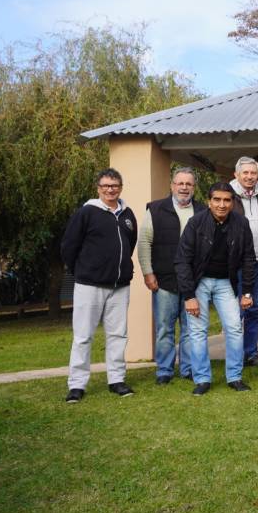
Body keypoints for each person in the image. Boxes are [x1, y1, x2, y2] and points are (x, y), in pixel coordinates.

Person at [61, 168, 138, 403]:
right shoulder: (86, 213)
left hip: (119, 286)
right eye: (105, 186)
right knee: (83, 336)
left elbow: (129, 243)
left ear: (121, 187)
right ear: (98, 188)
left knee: (118, 335)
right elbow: (69, 246)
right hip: (90, 285)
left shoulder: (127, 214)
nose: (110, 189)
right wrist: (83, 271)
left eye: (114, 185)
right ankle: (76, 385)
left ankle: (116, 380)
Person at [175, 182, 257, 395]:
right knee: (197, 331)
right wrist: (189, 295)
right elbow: (182, 260)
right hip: (198, 282)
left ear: (232, 202)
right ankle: (202, 379)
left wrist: (247, 292)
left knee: (234, 328)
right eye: (217, 200)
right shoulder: (195, 223)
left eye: (227, 200)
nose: (222, 204)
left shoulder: (241, 223)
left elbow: (249, 258)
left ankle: (235, 377)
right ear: (209, 202)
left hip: (225, 283)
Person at [137, 167, 205, 384]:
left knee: (190, 329)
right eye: (180, 183)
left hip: (193, 282)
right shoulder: (156, 209)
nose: (184, 187)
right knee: (164, 329)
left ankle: (188, 369)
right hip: (164, 280)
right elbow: (144, 243)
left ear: (194, 187)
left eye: (189, 184)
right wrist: (148, 273)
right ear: (172, 185)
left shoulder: (203, 211)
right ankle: (164, 371)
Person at [229, 156, 258, 369]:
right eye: (245, 173)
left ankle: (251, 353)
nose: (249, 177)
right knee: (235, 311)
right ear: (236, 174)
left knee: (254, 309)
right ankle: (234, 355)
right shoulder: (227, 196)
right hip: (235, 265)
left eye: (253, 173)